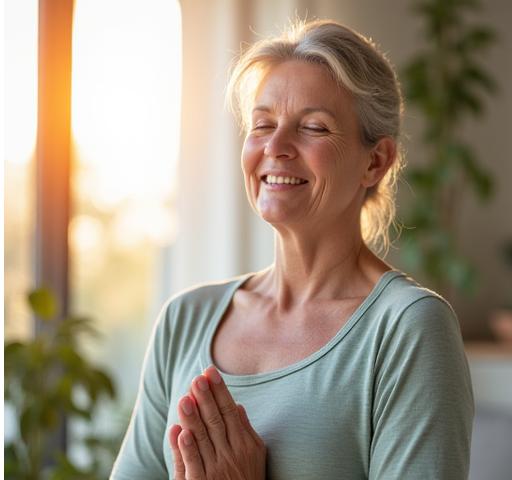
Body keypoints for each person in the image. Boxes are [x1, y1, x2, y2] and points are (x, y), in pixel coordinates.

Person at [111, 19, 474, 480]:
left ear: (375, 161)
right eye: (262, 124)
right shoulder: (184, 320)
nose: (276, 147)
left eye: (314, 127)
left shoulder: (408, 328)